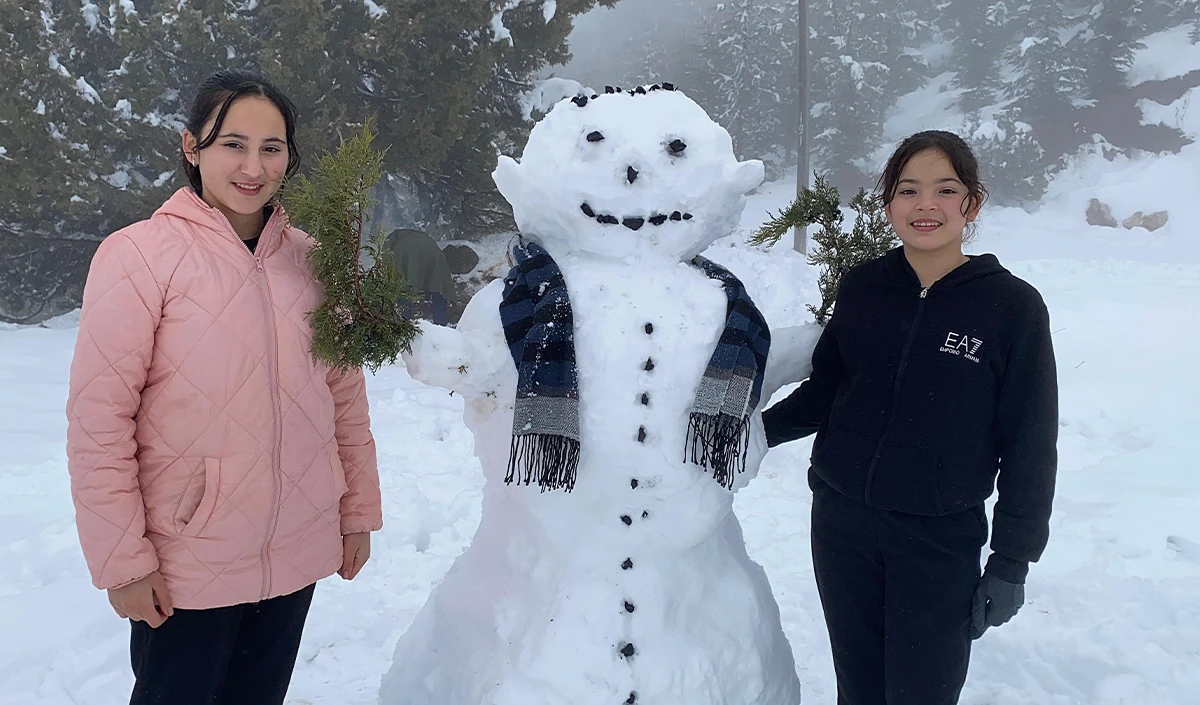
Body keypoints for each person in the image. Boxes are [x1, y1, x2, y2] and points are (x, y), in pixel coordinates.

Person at [65, 68, 383, 705]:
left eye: (272, 148)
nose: (253, 166)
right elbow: (99, 423)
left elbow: (343, 399)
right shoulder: (138, 255)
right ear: (192, 147)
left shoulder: (314, 259)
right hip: (188, 562)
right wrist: (124, 562)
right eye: (232, 144)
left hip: (296, 545)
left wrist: (356, 514)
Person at [763, 130, 1058, 705]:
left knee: (922, 692)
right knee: (860, 686)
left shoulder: (1011, 307)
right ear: (889, 204)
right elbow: (828, 391)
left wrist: (1012, 560)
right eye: (908, 190)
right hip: (842, 522)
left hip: (938, 536)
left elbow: (1030, 442)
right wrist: (751, 436)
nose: (926, 205)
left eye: (945, 189)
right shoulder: (865, 288)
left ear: (971, 203)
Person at [384, 227, 456, 325]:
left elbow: (397, 278)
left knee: (404, 289)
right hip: (434, 256)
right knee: (438, 287)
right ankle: (441, 326)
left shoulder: (397, 247)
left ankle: (403, 323)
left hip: (418, 259)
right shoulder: (421, 239)